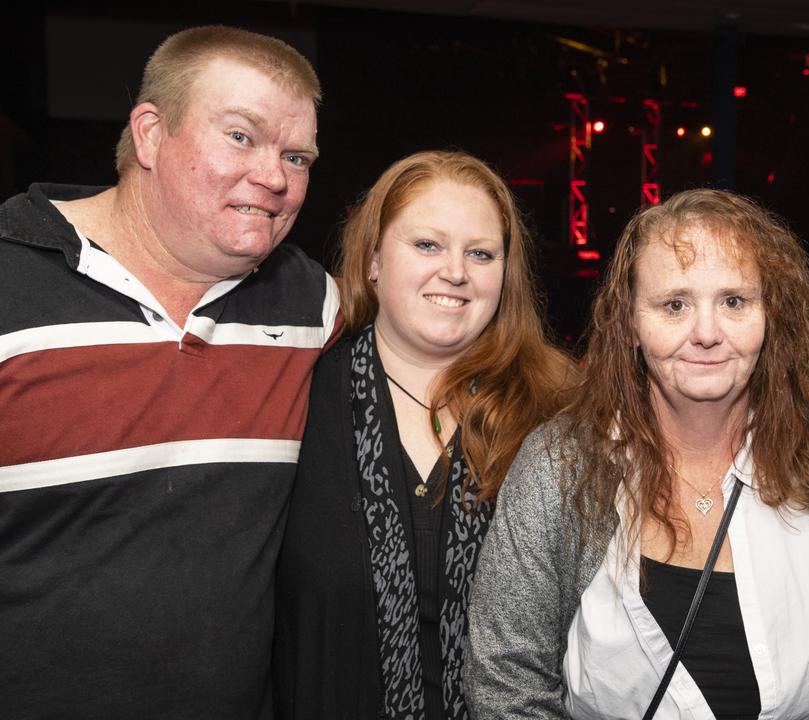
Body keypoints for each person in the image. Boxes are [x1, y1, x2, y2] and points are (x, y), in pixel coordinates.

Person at [0, 25, 338, 719]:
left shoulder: (312, 307)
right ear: (150, 135)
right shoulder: (10, 285)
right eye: (241, 137)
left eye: (297, 155)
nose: (275, 177)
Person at [464, 188, 809, 719]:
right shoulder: (558, 468)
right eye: (674, 305)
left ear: (772, 317)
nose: (706, 333)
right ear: (630, 322)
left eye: (734, 302)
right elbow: (504, 679)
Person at [273, 150, 577, 720]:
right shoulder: (292, 403)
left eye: (481, 253)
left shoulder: (560, 418)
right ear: (371, 261)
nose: (456, 272)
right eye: (427, 245)